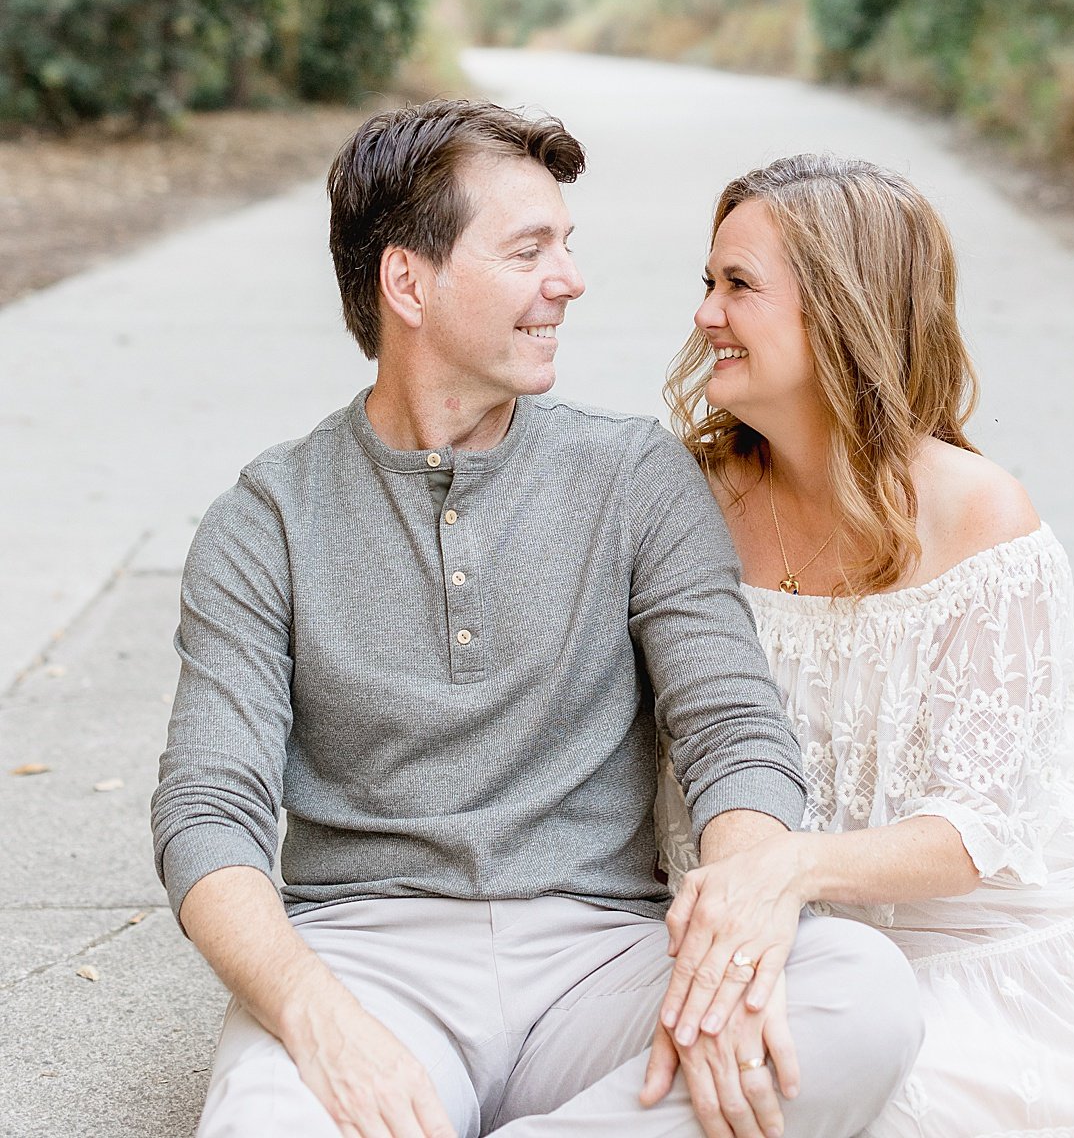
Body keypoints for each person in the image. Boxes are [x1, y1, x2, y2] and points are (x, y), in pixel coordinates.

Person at [152, 102, 921, 1138]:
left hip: (604, 957)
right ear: (406, 282)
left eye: (566, 245)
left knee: (860, 997)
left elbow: (733, 729)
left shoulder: (633, 475)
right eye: (529, 250)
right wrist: (310, 1009)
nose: (569, 279)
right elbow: (208, 814)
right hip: (368, 962)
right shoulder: (268, 518)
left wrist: (742, 912)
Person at [654, 151, 1074, 1134]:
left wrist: (789, 870)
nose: (705, 315)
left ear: (843, 310)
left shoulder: (980, 519)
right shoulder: (687, 498)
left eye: (738, 285)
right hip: (781, 922)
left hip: (1000, 930)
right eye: (708, 282)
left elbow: (977, 831)